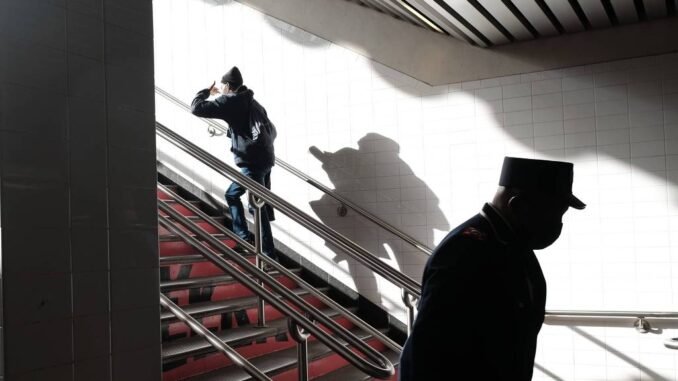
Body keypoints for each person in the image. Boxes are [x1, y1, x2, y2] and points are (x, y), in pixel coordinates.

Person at [398, 157, 586, 381]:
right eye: (554, 213)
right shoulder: (465, 252)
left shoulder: (514, 247)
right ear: (517, 205)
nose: (557, 223)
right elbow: (425, 352)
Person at [191, 66, 277, 261]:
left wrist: (206, 92)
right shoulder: (253, 102)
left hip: (252, 163)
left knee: (233, 195)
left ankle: (247, 241)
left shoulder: (230, 101)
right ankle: (268, 254)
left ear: (228, 86)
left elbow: (196, 108)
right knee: (258, 207)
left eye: (222, 86)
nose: (221, 89)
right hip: (265, 160)